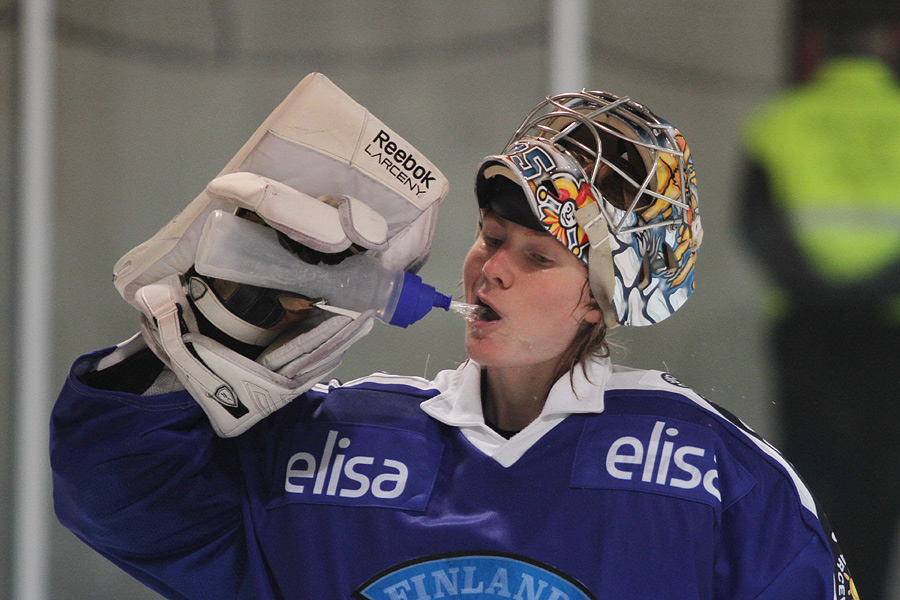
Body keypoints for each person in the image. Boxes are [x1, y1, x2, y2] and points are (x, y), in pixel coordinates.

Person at [51, 74, 859, 600]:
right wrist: (215, 329)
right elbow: (117, 498)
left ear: (597, 304)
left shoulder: (709, 471)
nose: (490, 269)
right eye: (488, 237)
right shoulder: (331, 442)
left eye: (537, 256)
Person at [740, 13, 900, 599]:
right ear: (889, 42)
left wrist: (821, 293)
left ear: (815, 47)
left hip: (807, 329)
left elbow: (757, 225)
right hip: (887, 331)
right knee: (883, 485)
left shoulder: (780, 123)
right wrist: (869, 293)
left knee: (810, 478)